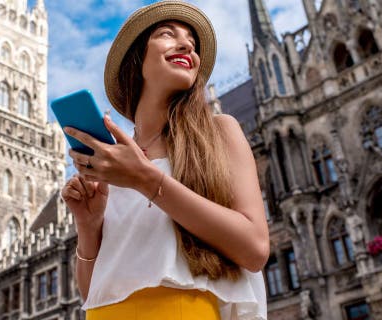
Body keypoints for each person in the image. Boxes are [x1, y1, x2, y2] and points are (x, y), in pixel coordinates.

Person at [60, 1, 269, 319]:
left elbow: (254, 249)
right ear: (137, 60)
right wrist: (88, 227)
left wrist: (145, 179)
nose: (187, 44)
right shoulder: (113, 163)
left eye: (192, 43)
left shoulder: (220, 132)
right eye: (167, 34)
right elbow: (94, 293)